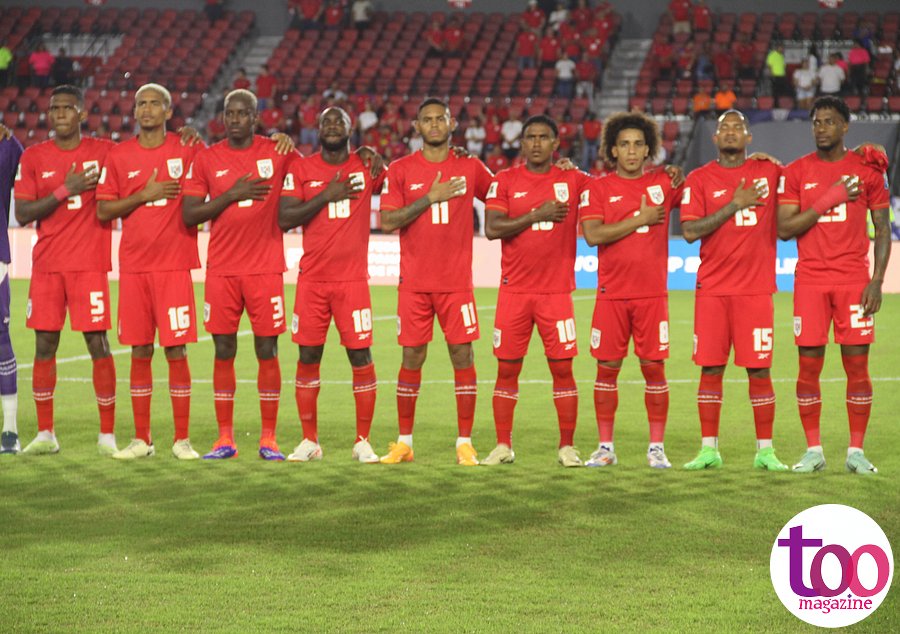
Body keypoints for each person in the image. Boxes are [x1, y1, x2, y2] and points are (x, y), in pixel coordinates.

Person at [776, 96, 891, 475]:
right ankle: (814, 451)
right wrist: (830, 198)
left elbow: (883, 229)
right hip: (810, 281)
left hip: (853, 281)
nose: (821, 128)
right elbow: (784, 228)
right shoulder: (797, 171)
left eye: (829, 121)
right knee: (808, 368)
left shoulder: (868, 170)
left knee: (857, 367)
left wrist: (877, 280)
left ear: (845, 126)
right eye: (816, 122)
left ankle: (856, 451)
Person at [182, 89, 298, 461]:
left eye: (242, 113)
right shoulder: (207, 158)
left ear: (255, 116)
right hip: (223, 270)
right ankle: (224, 439)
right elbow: (190, 215)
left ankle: (269, 438)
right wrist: (232, 194)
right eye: (229, 113)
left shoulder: (278, 152)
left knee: (267, 350)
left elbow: (316, 170)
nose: (234, 119)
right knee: (223, 350)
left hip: (265, 269)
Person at [377, 98, 493, 465]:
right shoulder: (400, 170)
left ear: (452, 123)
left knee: (463, 356)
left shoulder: (470, 166)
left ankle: (464, 442)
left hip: (456, 283)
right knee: (412, 356)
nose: (433, 124)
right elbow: (387, 221)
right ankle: (404, 442)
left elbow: (502, 192)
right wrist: (430, 197)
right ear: (416, 127)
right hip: (414, 283)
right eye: (426, 120)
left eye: (439, 118)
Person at [96, 83, 204, 461]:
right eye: (141, 103)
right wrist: (143, 194)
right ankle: (142, 439)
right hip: (135, 267)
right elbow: (103, 210)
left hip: (174, 266)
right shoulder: (119, 155)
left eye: (155, 103)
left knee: (176, 349)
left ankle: (182, 439)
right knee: (140, 349)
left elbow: (223, 163)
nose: (146, 109)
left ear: (169, 111)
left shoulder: (187, 148)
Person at [679, 110, 788, 471]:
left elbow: (808, 176)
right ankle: (708, 449)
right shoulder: (699, 179)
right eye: (723, 128)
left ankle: (766, 451)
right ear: (714, 138)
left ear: (748, 137)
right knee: (710, 369)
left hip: (755, 291)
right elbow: (690, 231)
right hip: (712, 290)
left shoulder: (769, 171)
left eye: (737, 127)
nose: (729, 132)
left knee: (759, 370)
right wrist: (734, 204)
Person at [13, 85, 118, 456]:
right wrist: (65, 189)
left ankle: (107, 434)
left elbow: (146, 151)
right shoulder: (34, 156)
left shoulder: (104, 152)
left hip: (89, 266)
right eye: (54, 108)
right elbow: (22, 214)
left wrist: (186, 136)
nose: (59, 114)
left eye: (67, 108)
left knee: (97, 344)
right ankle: (46, 433)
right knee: (44, 345)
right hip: (47, 267)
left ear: (82, 113)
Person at [481, 115, 591, 467]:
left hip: (556, 295)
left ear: (556, 143)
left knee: (563, 370)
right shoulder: (505, 180)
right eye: (531, 137)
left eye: (544, 137)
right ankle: (503, 445)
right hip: (514, 293)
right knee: (506, 371)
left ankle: (567, 447)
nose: (537, 143)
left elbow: (615, 184)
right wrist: (536, 214)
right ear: (522, 142)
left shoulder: (573, 179)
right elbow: (492, 228)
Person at [278, 107, 385, 463]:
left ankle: (363, 441)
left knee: (361, 355)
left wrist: (374, 155)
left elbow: (402, 179)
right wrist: (327, 194)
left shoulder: (367, 166)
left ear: (352, 129)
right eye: (327, 122)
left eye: (340, 121)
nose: (333, 126)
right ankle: (309, 441)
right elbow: (284, 218)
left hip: (352, 282)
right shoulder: (302, 169)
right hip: (312, 281)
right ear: (318, 129)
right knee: (308, 356)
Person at [578, 111, 683, 469]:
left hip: (652, 296)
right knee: (606, 370)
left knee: (654, 369)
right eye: (624, 145)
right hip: (612, 295)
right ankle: (605, 447)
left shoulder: (665, 182)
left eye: (639, 144)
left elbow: (706, 186)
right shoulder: (598, 188)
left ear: (649, 148)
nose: (632, 151)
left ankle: (656, 448)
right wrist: (641, 219)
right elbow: (593, 235)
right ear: (612, 150)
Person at [0, 133, 21, 454]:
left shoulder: (5, 147)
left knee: (1, 342)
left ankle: (9, 430)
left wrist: (9, 135)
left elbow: (18, 153)